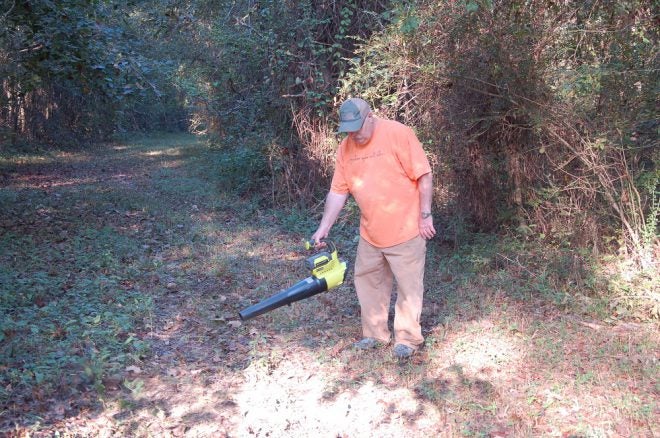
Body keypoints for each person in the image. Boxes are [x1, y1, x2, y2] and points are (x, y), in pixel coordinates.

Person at [311, 97, 435, 359]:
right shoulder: (345, 149)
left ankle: (408, 339)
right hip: (371, 233)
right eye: (348, 129)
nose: (353, 134)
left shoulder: (398, 134)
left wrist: (425, 216)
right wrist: (324, 227)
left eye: (357, 126)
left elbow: (423, 174)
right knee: (368, 284)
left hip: (406, 230)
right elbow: (338, 191)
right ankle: (375, 335)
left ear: (370, 117)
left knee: (409, 288)